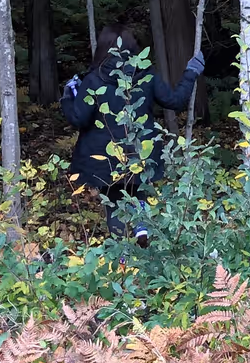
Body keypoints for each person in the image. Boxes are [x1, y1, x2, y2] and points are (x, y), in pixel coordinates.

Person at [62, 24, 203, 244]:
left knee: (113, 202)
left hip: (105, 157)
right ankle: (142, 232)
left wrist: (69, 97)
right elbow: (175, 101)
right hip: (141, 150)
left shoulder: (93, 80)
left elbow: (79, 118)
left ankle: (122, 257)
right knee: (138, 190)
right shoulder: (146, 74)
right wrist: (191, 72)